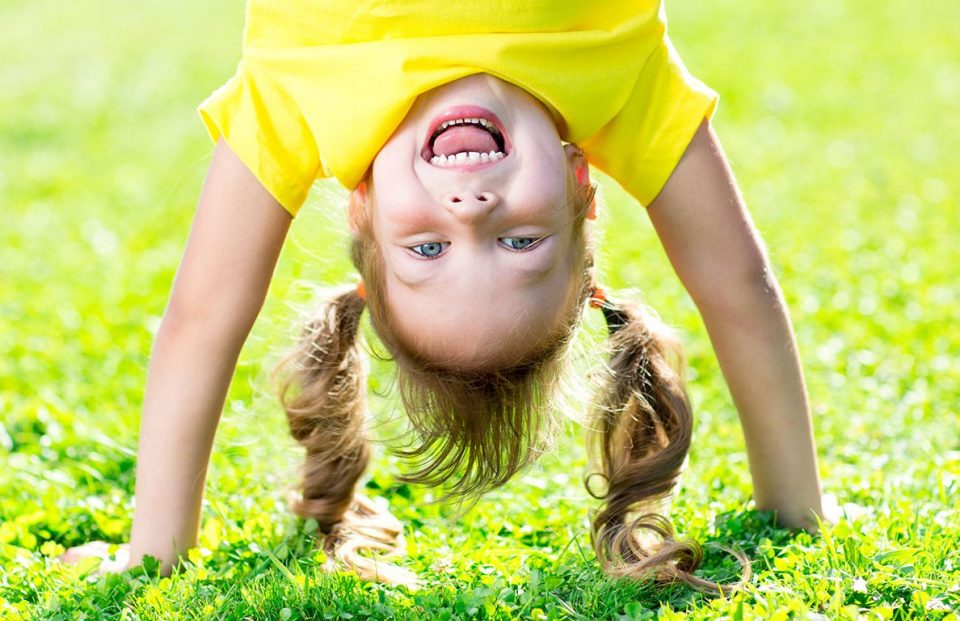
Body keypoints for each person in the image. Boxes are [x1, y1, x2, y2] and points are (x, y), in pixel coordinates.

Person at [59, 0, 824, 594]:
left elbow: (202, 317)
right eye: (522, 241)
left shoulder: (300, 96)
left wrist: (154, 549)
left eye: (425, 250)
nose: (471, 212)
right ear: (579, 185)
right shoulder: (616, 75)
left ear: (363, 208)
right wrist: (796, 507)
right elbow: (739, 288)